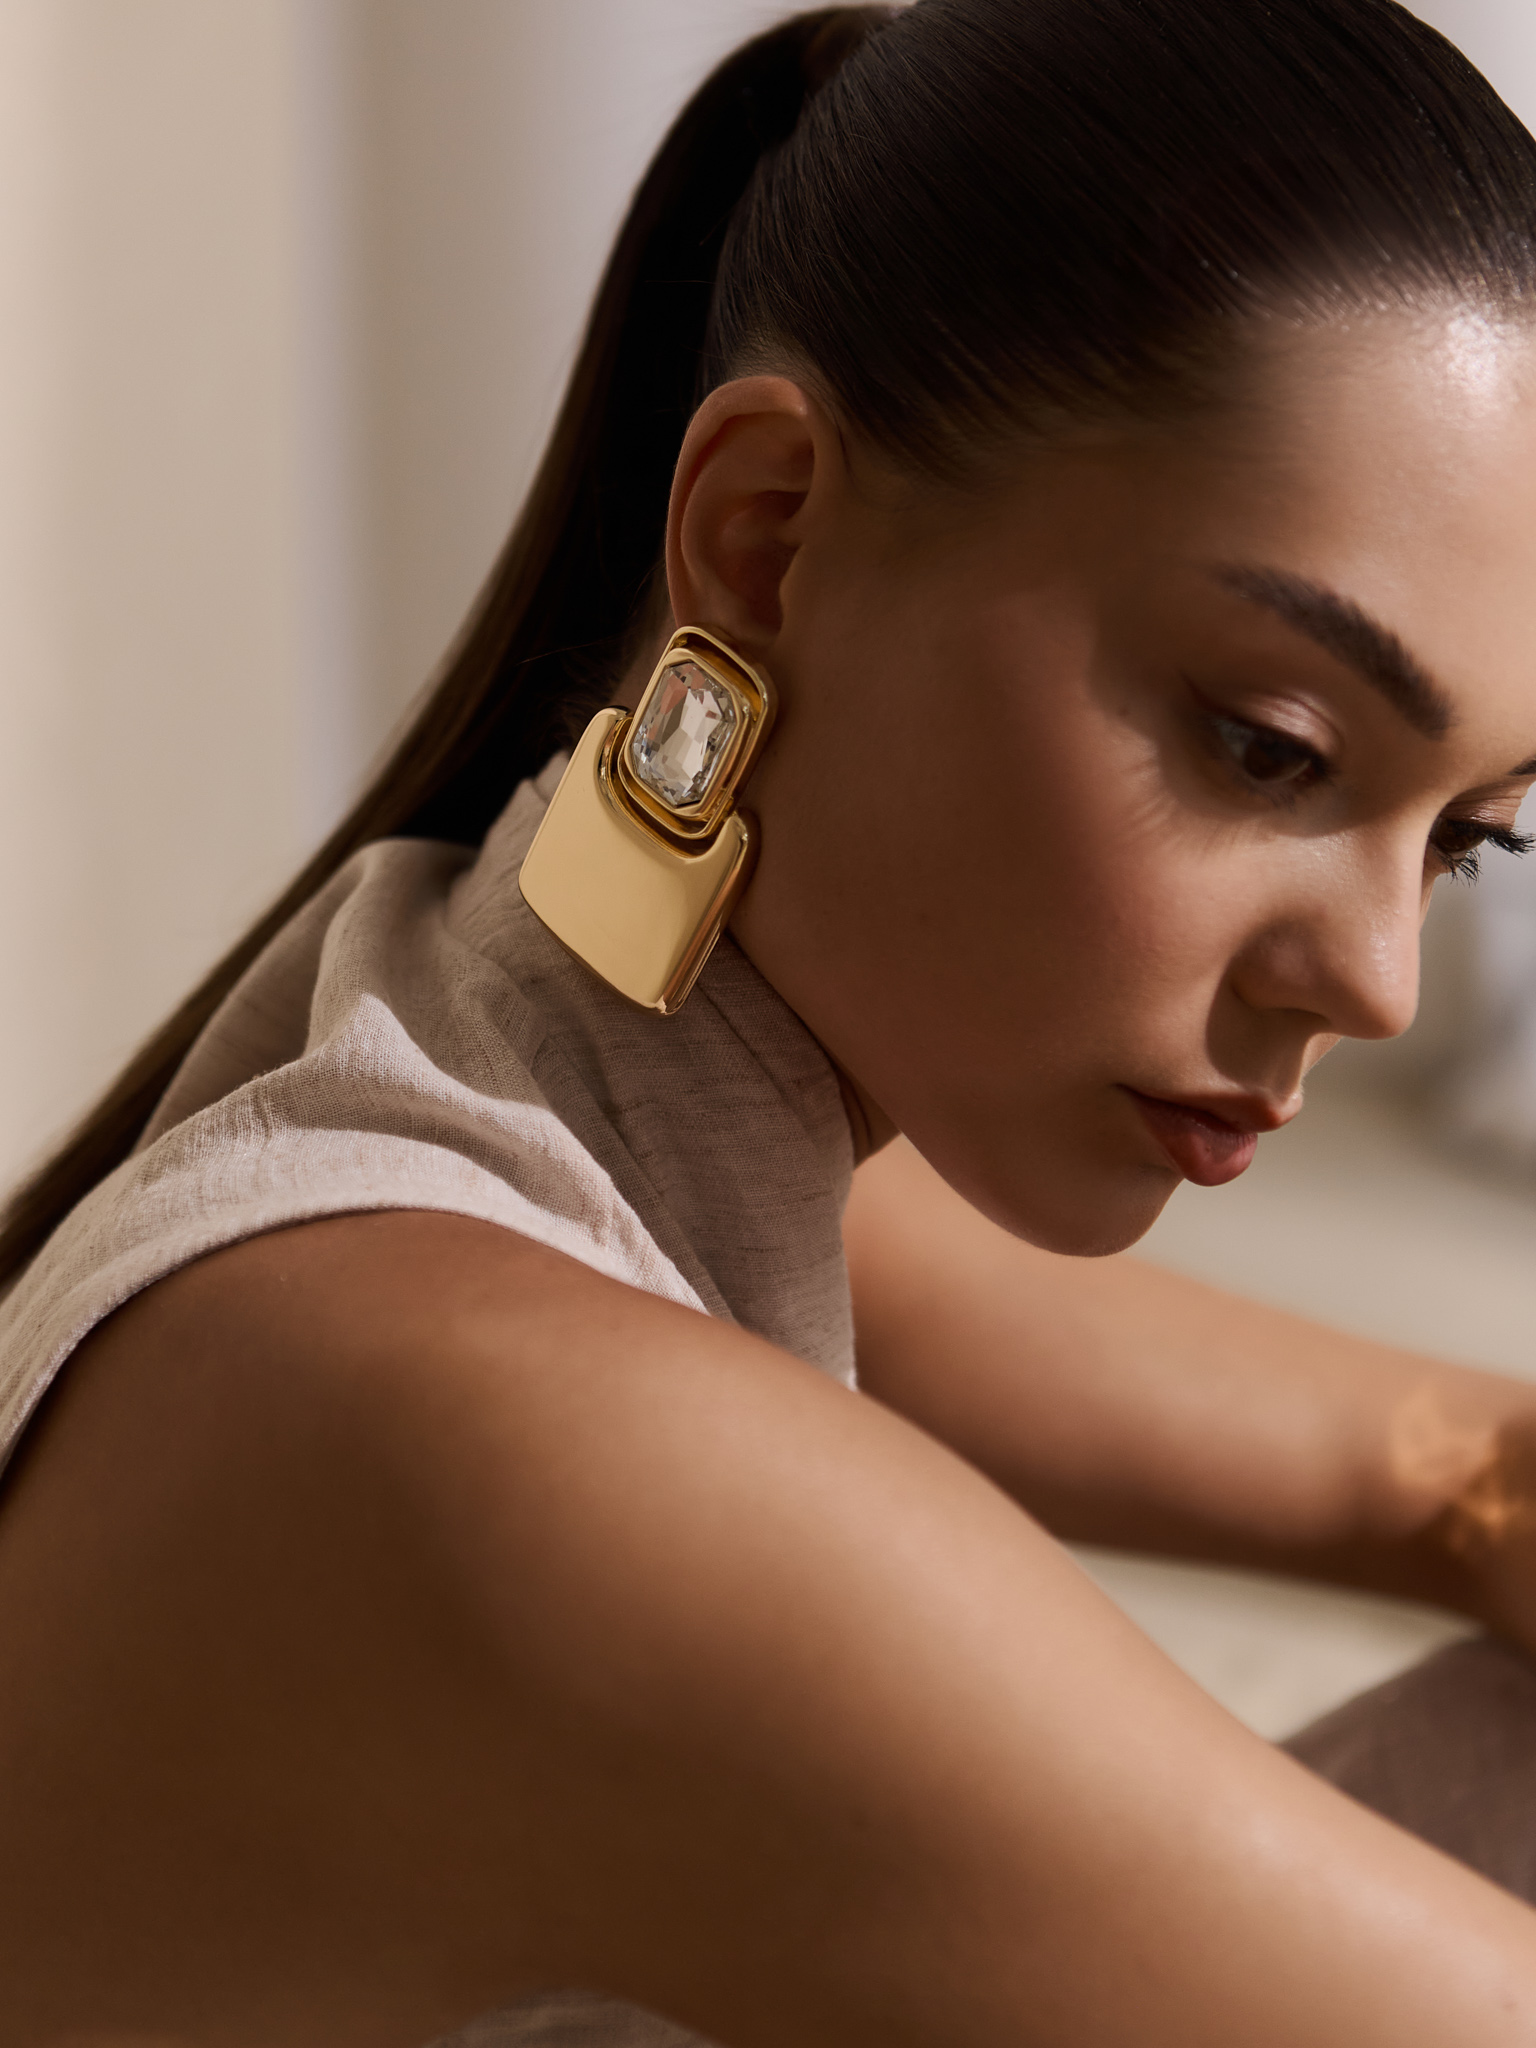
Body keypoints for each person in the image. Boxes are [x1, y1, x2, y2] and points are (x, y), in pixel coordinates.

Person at [4, 0, 1536, 2039]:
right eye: (1269, 748)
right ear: (764, 534)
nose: (1373, 979)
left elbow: (1460, 1473)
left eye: (1468, 842)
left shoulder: (526, 1051)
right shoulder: (508, 1424)